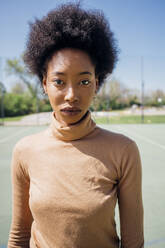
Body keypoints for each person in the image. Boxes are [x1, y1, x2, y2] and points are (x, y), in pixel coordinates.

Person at [8, 3, 144, 248]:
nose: (71, 95)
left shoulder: (124, 151)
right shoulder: (24, 151)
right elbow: (19, 235)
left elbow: (134, 243)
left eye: (83, 81)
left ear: (97, 84)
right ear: (44, 84)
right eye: (59, 81)